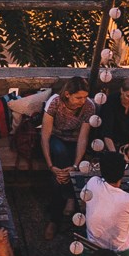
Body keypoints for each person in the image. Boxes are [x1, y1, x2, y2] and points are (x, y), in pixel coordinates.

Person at [41, 77, 92, 239]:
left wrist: (76, 165)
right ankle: (69, 197)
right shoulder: (55, 102)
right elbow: (45, 136)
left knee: (61, 174)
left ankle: (54, 219)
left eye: (85, 97)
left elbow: (83, 138)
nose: (82, 101)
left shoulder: (89, 107)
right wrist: (50, 166)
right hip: (56, 139)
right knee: (60, 156)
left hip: (75, 143)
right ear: (68, 94)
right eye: (78, 98)